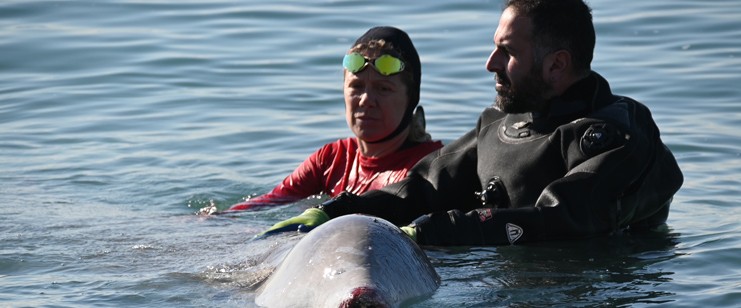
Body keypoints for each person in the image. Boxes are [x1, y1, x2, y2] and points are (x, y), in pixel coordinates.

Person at [260, 0, 683, 245]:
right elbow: (425, 187)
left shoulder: (618, 136)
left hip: (589, 306)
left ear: (557, 65)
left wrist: (430, 233)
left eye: (507, 52)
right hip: (501, 289)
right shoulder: (499, 124)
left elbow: (565, 219)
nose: (490, 64)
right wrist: (338, 211)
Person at [211, 27, 443, 214]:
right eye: (356, 86)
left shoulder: (430, 167)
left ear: (410, 98)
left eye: (383, 88)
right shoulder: (332, 159)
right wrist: (212, 222)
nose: (365, 100)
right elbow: (268, 204)